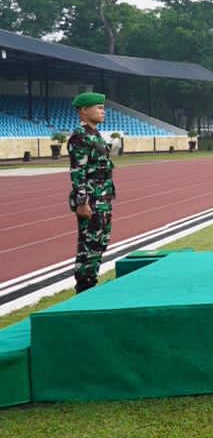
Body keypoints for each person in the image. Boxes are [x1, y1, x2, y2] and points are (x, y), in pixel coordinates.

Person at [68, 92, 115, 293]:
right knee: (89, 244)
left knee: (100, 242)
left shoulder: (94, 135)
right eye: (99, 107)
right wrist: (82, 202)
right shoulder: (80, 136)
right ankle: (84, 287)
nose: (103, 111)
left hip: (102, 197)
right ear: (84, 110)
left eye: (103, 107)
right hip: (91, 200)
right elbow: (78, 172)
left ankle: (90, 283)